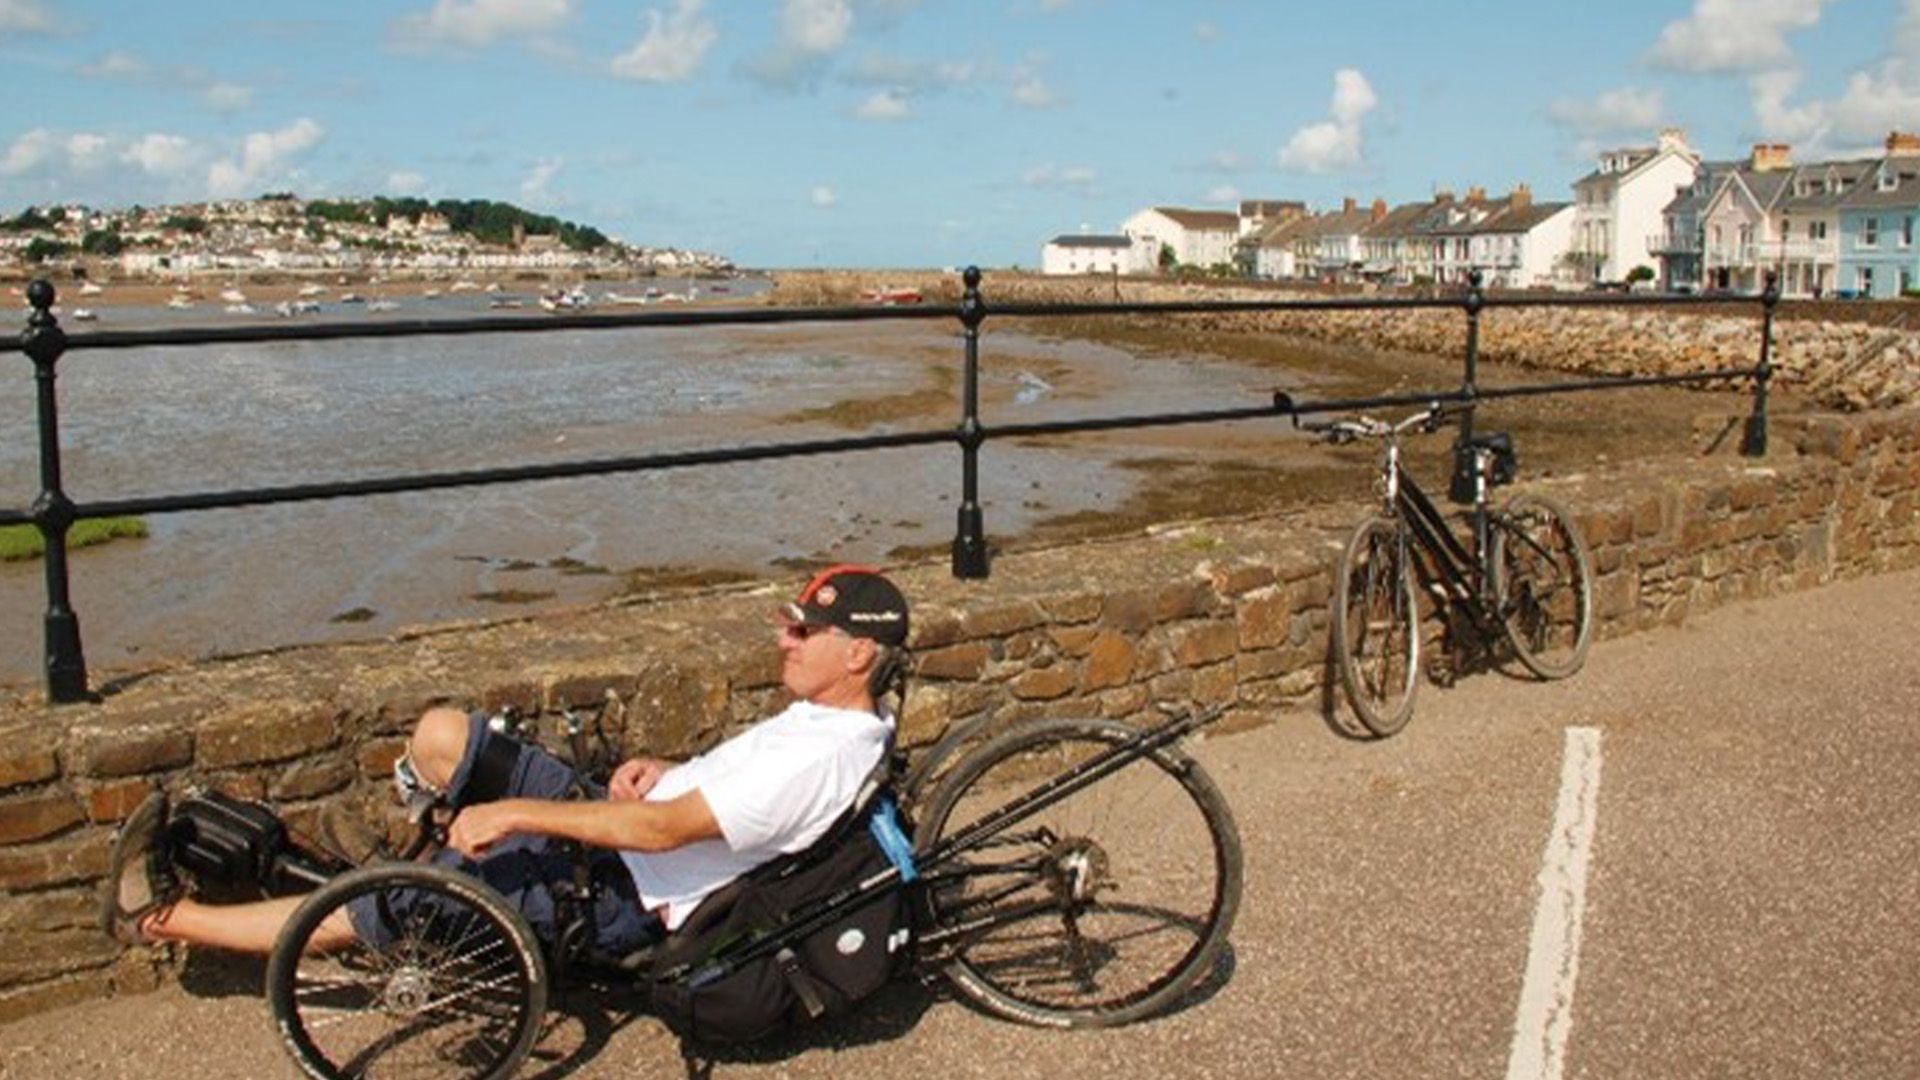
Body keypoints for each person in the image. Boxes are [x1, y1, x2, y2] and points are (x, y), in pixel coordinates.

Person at [100, 564, 912, 959]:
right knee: (447, 735)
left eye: (803, 632)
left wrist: (519, 812)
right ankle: (397, 862)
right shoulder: (822, 719)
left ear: (858, 654)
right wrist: (667, 765)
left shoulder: (820, 757)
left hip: (621, 887)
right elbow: (700, 802)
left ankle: (161, 922)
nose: (784, 639)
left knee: (379, 907)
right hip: (618, 824)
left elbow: (667, 836)